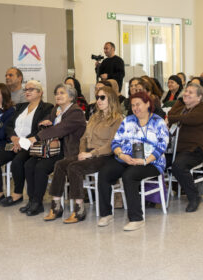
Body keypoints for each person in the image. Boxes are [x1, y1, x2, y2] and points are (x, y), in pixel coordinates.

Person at [43, 85, 124, 222]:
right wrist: (82, 151)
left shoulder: (118, 119)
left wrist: (91, 154)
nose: (98, 100)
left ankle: (79, 208)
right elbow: (83, 138)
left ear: (111, 99)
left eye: (102, 97)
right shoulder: (94, 117)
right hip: (87, 153)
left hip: (105, 156)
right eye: (97, 97)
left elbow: (112, 144)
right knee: (60, 164)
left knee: (74, 168)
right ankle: (56, 205)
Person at [96, 91, 170, 231]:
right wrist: (121, 155)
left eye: (138, 104)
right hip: (126, 158)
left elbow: (162, 146)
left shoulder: (158, 122)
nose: (136, 108)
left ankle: (137, 218)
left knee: (129, 175)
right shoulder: (128, 120)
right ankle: (106, 214)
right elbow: (116, 142)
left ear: (148, 104)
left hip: (152, 162)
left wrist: (144, 161)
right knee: (105, 172)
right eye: (133, 105)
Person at [0, 80, 53, 208]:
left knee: (17, 161)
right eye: (25, 89)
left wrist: (21, 142)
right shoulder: (20, 106)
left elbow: (39, 129)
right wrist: (14, 138)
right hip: (14, 142)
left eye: (31, 89)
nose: (27, 92)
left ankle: (17, 194)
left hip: (30, 144)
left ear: (40, 92)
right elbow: (9, 126)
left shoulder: (47, 107)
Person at [21, 83, 86, 217]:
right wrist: (45, 122)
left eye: (62, 93)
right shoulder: (56, 110)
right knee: (28, 164)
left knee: (40, 167)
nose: (58, 96)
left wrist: (35, 138)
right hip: (51, 149)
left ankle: (37, 203)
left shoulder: (75, 112)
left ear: (71, 96)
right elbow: (48, 122)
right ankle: (32, 200)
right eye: (56, 93)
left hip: (67, 151)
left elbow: (60, 129)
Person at [166, 82, 203, 213]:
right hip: (175, 149)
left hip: (195, 150)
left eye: (190, 92)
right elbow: (170, 115)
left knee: (178, 166)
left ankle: (194, 197)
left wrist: (171, 119)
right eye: (186, 91)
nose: (186, 94)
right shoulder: (181, 106)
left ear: (199, 97)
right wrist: (171, 118)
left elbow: (188, 119)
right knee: (155, 162)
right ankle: (154, 197)